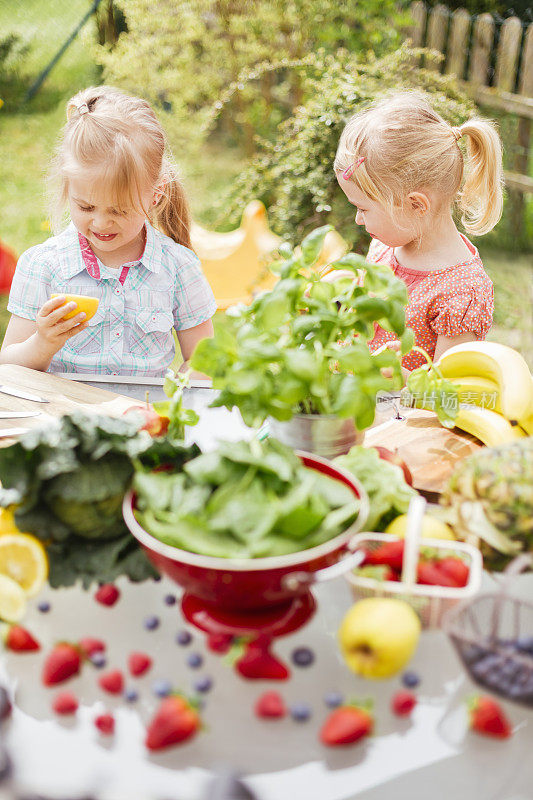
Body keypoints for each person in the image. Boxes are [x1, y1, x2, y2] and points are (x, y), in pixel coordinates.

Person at [1, 86, 216, 377]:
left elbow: (204, 360)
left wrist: (173, 402)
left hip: (143, 418)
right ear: (68, 190)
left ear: (156, 194)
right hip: (65, 418)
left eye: (119, 210)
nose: (101, 224)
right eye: (86, 208)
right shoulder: (42, 266)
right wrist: (42, 343)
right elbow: (9, 369)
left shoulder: (178, 267)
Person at [330, 90, 502, 373]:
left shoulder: (461, 293)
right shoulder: (385, 247)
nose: (358, 220)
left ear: (416, 204)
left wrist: (397, 377)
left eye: (364, 208)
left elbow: (447, 393)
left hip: (400, 416)